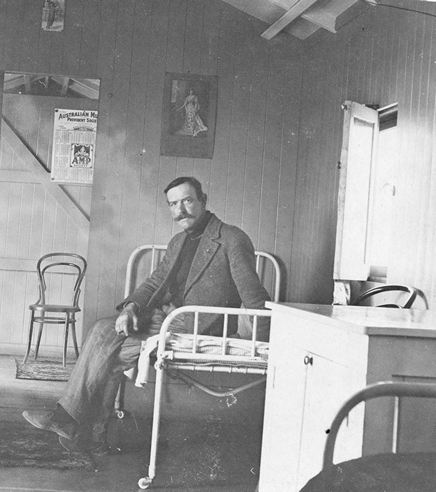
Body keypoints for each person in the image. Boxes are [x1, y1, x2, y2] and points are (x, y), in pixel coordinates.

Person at [22, 176, 270, 453]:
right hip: (163, 319)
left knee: (110, 354)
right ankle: (86, 431)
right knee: (104, 328)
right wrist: (129, 308)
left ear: (203, 200)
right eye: (173, 204)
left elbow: (254, 296)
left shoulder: (232, 239)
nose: (180, 210)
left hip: (197, 326)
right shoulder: (178, 241)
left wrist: (265, 344)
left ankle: (76, 424)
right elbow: (154, 283)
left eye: (187, 201)